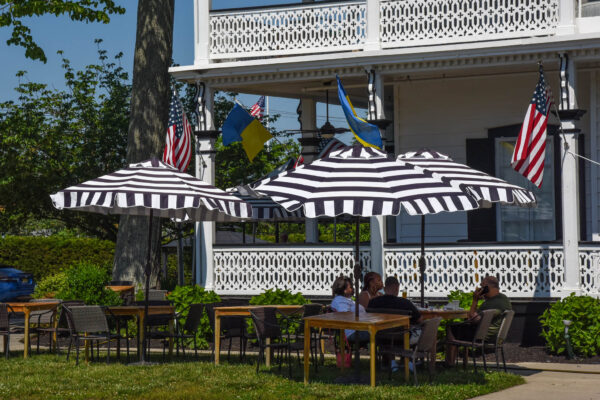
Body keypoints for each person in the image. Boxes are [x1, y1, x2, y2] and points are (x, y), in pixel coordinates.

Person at [446, 275, 512, 365]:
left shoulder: (490, 303)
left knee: (452, 329)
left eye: (482, 287)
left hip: (483, 337)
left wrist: (475, 300)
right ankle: (462, 364)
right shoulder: (503, 299)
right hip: (496, 337)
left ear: (486, 288)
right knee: (461, 329)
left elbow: (472, 319)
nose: (480, 289)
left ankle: (449, 364)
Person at [330, 275, 369, 344]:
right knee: (381, 334)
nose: (353, 289)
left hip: (362, 328)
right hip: (353, 332)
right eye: (350, 287)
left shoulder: (348, 300)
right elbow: (345, 315)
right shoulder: (339, 301)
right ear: (344, 290)